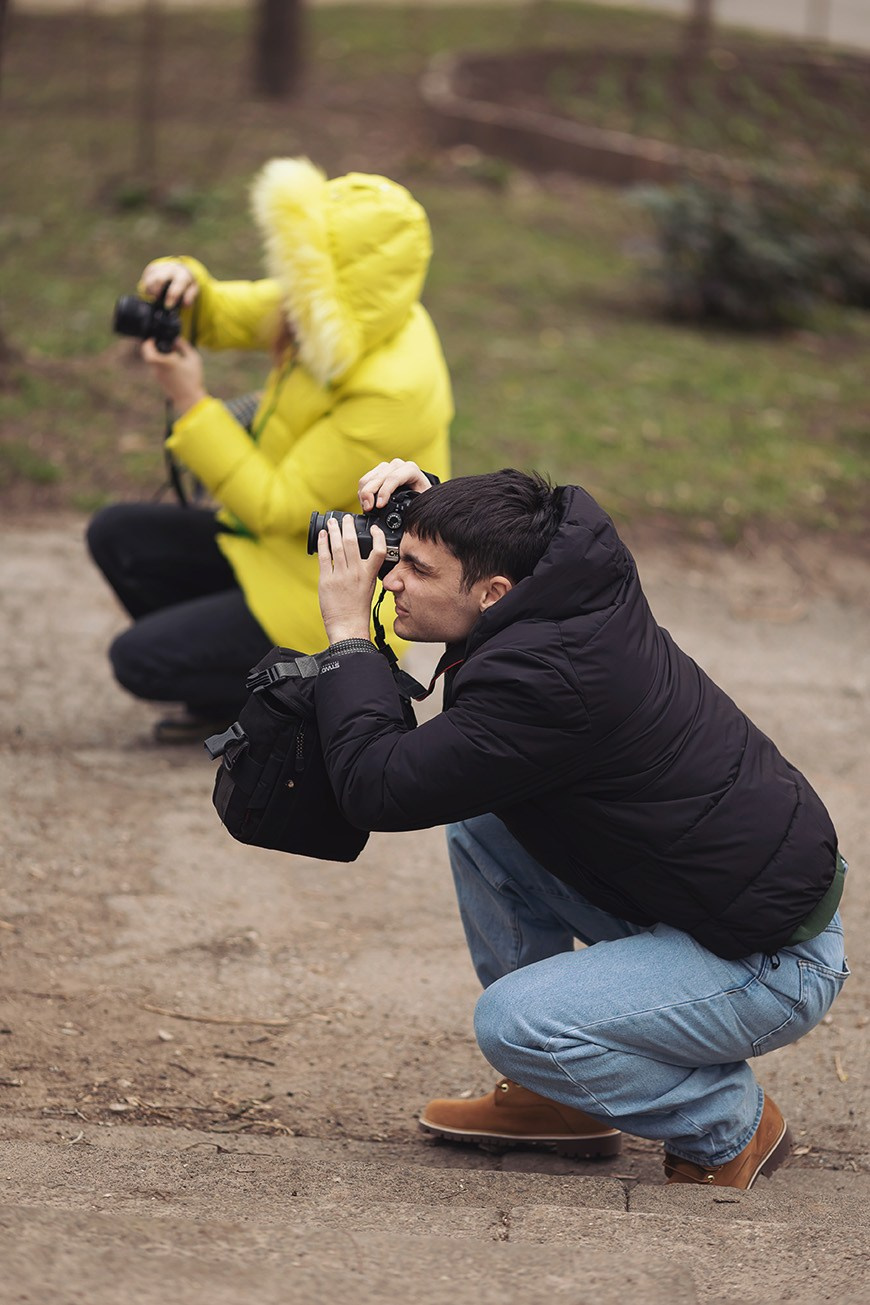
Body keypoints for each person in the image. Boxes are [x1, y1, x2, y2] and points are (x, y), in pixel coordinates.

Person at [312, 458, 849, 1190]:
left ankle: (728, 1120)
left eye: (414, 567)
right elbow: (497, 546)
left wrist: (347, 632)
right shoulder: (573, 580)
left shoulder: (545, 682)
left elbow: (374, 787)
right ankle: (558, 1100)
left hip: (769, 962)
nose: (390, 578)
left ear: (494, 593)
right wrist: (436, 503)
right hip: (719, 902)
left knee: (512, 1022)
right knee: (482, 819)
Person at [87, 158, 452, 743]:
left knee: (139, 659)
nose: (290, 282)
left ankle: (286, 698)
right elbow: (226, 312)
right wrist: (177, 281)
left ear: (338, 273)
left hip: (325, 593)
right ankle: (228, 676)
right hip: (272, 554)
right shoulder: (342, 309)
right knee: (116, 534)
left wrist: (191, 402)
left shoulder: (393, 385)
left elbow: (275, 505)